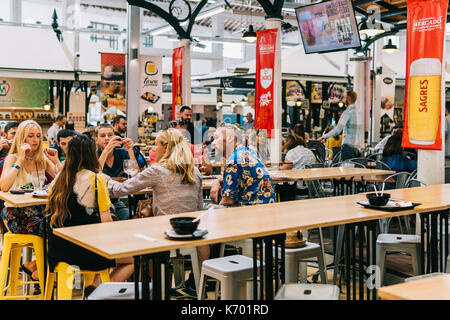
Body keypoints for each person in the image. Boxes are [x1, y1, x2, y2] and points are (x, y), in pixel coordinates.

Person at [105, 128, 208, 299]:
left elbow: (121, 190)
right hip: (191, 230)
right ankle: (188, 285)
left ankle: (157, 287)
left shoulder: (158, 170)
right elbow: (199, 206)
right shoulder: (194, 171)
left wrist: (103, 178)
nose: (153, 149)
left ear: (166, 147)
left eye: (156, 145)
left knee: (135, 233)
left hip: (165, 232)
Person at [45, 134, 134, 298]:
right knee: (131, 260)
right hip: (88, 250)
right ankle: (98, 290)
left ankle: (96, 285)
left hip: (58, 251)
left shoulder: (56, 180)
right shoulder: (96, 179)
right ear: (91, 154)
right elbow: (106, 222)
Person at [0, 120, 59, 294]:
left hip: (41, 212)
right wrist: (19, 159)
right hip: (16, 215)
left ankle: (34, 267)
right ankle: (42, 272)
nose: (35, 140)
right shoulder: (12, 157)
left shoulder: (42, 158)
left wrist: (55, 161)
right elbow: (3, 186)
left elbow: (62, 180)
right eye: (31, 136)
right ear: (21, 138)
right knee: (54, 230)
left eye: (38, 136)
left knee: (64, 227)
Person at [210, 124, 276, 206]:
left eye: (216, 138)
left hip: (253, 214)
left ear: (229, 138)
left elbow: (227, 201)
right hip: (266, 210)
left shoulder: (233, 161)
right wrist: (217, 181)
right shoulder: (245, 152)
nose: (213, 143)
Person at [95, 123, 137, 220]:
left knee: (127, 215)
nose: (107, 138)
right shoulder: (93, 153)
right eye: (102, 136)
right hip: (97, 201)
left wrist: (130, 150)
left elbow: (135, 174)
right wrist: (107, 150)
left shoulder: (121, 152)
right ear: (96, 140)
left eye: (110, 135)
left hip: (115, 200)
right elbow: (95, 173)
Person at [318, 90, 362, 161]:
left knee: (346, 170)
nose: (344, 100)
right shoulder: (359, 113)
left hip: (348, 148)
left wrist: (323, 137)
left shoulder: (347, 112)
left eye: (344, 97)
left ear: (348, 98)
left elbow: (338, 130)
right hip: (357, 148)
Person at [279, 133, 317, 200]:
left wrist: (279, 166)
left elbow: (284, 169)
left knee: (278, 186)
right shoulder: (309, 152)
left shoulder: (292, 152)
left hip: (296, 188)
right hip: (311, 187)